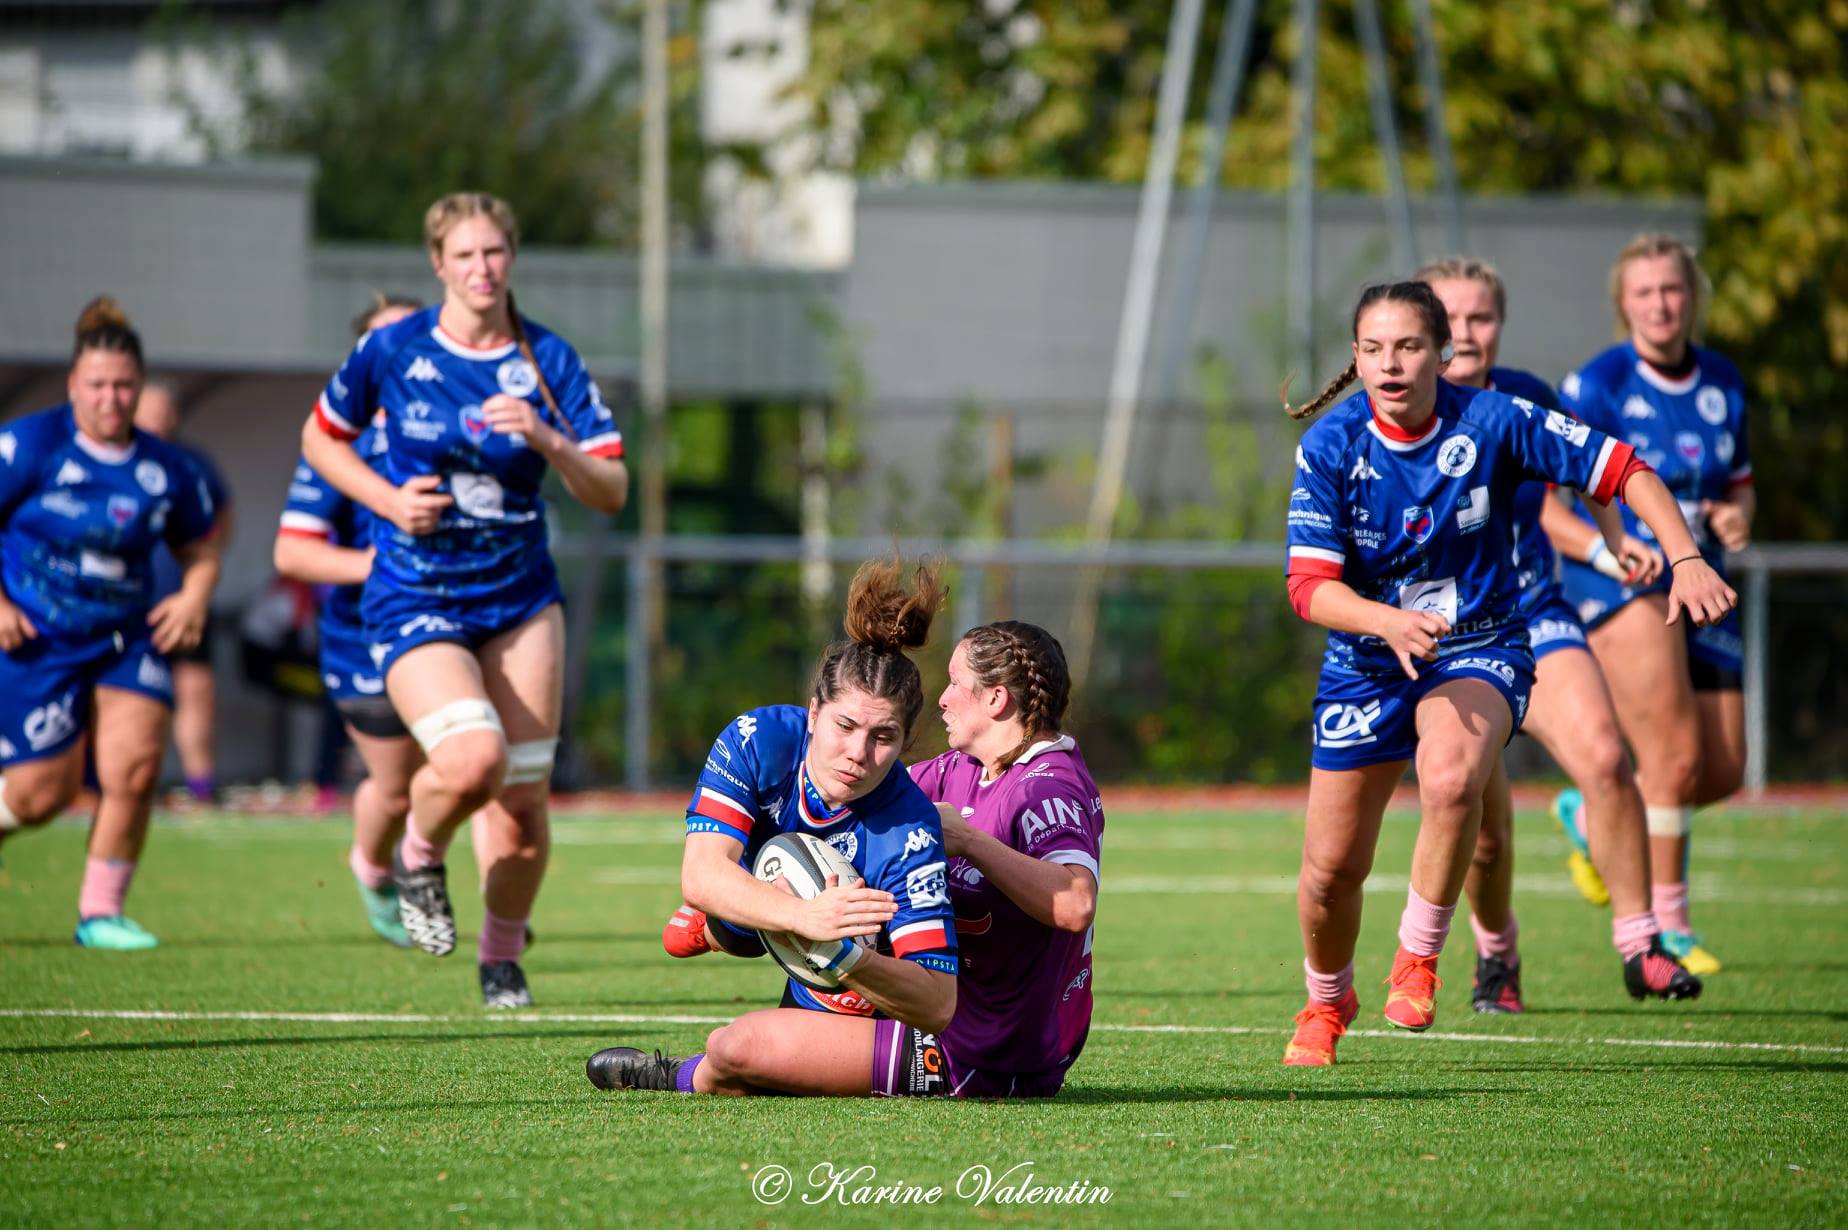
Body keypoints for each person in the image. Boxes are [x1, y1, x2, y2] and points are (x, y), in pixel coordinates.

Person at [1279, 280, 1734, 1066]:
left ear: (1443, 352)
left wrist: (1685, 556)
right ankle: (1327, 1000)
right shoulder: (1331, 445)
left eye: (1410, 346)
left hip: (1478, 641)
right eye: (1375, 349)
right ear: (1355, 357)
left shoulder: (1495, 419)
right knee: (1329, 873)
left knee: (1453, 778)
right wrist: (1386, 620)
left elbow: (1625, 469)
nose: (1392, 364)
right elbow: (1309, 586)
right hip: (1365, 658)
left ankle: (1420, 958)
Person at [300, 193, 628, 1008]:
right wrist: (383, 500)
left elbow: (612, 487)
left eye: (495, 254)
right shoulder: (392, 348)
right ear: (438, 264)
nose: (482, 269)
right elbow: (320, 438)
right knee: (472, 759)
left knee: (519, 802)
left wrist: (550, 440)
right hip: (416, 590)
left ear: (510, 259)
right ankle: (419, 853)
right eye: (465, 255)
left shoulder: (547, 358)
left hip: (519, 598)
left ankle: (501, 955)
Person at [1418, 258, 1699, 1013]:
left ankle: (1642, 944)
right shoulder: (1390, 413)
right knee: (1482, 830)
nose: (1468, 332)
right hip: (1435, 637)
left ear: (1499, 325)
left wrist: (1615, 543)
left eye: (1482, 317)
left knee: (1607, 758)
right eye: (1452, 317)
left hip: (1528, 614)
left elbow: (1590, 470)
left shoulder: (1525, 398)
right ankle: (1497, 953)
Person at [584, 558, 966, 1096]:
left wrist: (845, 953)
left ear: (905, 744)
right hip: (801, 933)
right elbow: (701, 874)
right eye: (845, 725)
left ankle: (682, 1069)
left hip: (891, 1019)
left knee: (734, 1049)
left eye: (883, 737)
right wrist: (803, 916)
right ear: (814, 713)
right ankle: (730, 927)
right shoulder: (758, 740)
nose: (858, 753)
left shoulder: (909, 828)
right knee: (756, 889)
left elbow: (937, 1003)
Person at [1556, 234, 1753, 976]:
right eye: (1644, 293)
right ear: (1622, 304)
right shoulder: (1599, 383)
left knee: (1724, 768)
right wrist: (1613, 553)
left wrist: (1739, 518)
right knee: (1671, 759)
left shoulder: (1724, 381)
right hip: (1627, 583)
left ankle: (1591, 813)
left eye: (1671, 290)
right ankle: (1666, 926)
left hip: (1705, 579)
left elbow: (1738, 485)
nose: (1660, 304)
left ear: (1691, 295)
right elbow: (1553, 506)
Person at [0, 298, 223, 948]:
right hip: (36, 639)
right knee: (42, 794)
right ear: (74, 384)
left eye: (124, 384)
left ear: (140, 387)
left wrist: (194, 595)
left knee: (133, 768)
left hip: (125, 637)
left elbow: (201, 548)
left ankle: (101, 912)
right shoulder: (28, 445)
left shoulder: (167, 468)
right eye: (97, 384)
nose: (111, 397)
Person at [275, 293, 424, 947]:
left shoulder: (461, 430)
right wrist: (375, 565)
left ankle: (503, 930)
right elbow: (292, 551)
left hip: (461, 625)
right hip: (365, 640)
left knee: (481, 764)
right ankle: (372, 863)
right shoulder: (341, 447)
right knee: (396, 789)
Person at [134, 380, 234, 806]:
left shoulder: (192, 464)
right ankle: (116, 786)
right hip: (124, 604)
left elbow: (220, 522)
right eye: (148, 408)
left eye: (164, 409)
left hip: (183, 601)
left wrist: (198, 582)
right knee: (128, 697)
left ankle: (200, 786)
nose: (158, 417)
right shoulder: (109, 461)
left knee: (195, 690)